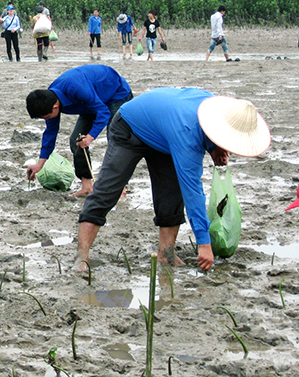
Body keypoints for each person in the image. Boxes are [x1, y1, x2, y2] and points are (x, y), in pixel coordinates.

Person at [76, 88, 270, 271]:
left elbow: (211, 133)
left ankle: (166, 254)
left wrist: (214, 148)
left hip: (165, 134)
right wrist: (204, 243)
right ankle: (82, 256)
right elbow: (193, 191)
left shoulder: (214, 109)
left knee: (171, 191)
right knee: (108, 190)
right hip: (130, 126)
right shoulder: (188, 135)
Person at [26, 65, 133, 198]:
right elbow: (51, 132)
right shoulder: (49, 99)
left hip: (115, 93)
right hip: (90, 102)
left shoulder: (76, 89)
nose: (46, 120)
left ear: (55, 107)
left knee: (115, 140)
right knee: (76, 142)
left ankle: (120, 187)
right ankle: (87, 186)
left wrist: (90, 137)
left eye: (46, 117)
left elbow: (103, 112)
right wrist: (40, 164)